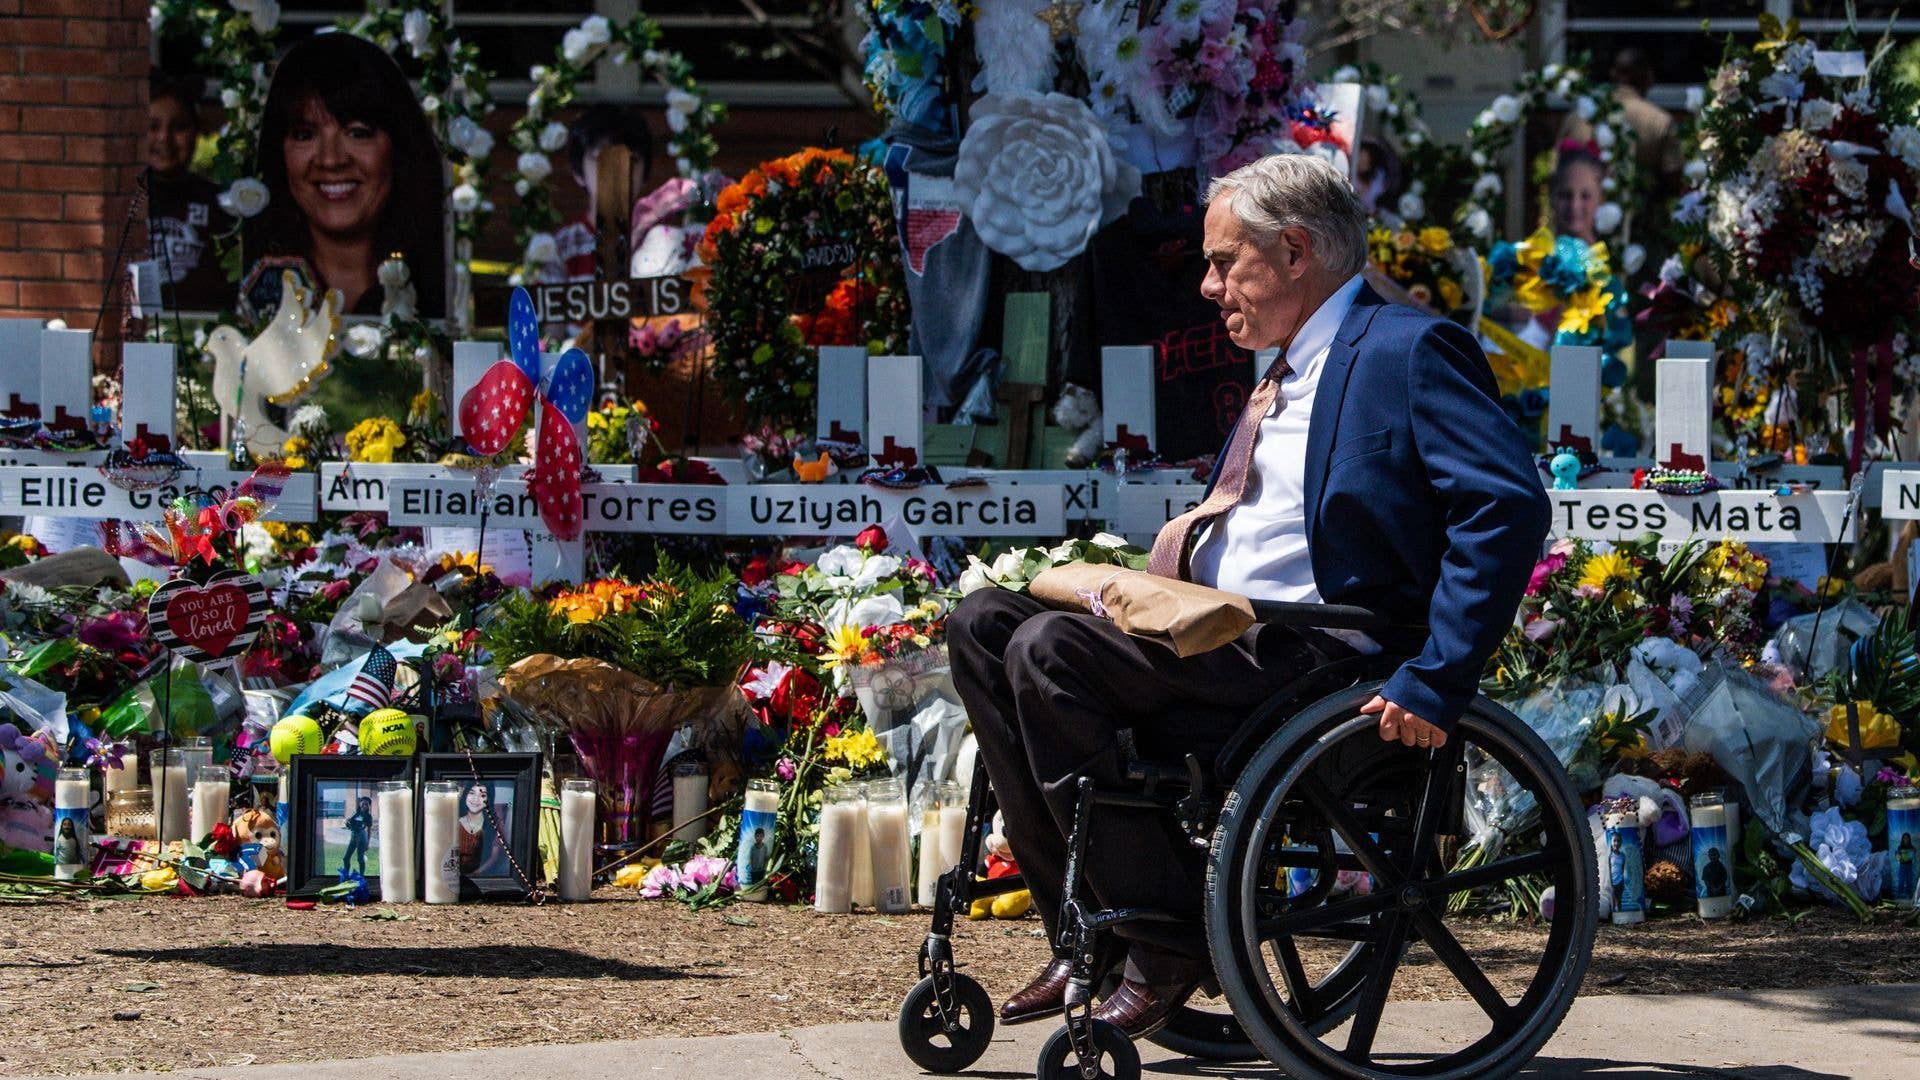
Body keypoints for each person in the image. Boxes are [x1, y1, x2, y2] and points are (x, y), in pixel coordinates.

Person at [950, 153, 1548, 1040]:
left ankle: (1164, 939)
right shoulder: (1286, 369)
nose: (1206, 284)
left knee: (1050, 650)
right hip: (1226, 638)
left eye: (1225, 261)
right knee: (984, 623)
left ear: (1296, 251)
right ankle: (1086, 933)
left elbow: (1505, 504)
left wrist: (1439, 675)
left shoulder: (1406, 350)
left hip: (1320, 658)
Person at [247, 33, 444, 318]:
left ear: (398, 146)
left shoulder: (448, 291)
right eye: (305, 135)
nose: (331, 159)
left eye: (357, 133)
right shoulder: (248, 286)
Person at [145, 75, 233, 311]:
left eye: (179, 127)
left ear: (197, 131)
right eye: (152, 127)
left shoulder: (222, 206)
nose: (164, 138)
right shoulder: (121, 204)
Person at [1560, 48, 1684, 201]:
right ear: (1648, 77)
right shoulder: (1660, 121)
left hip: (1582, 214)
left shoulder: (1579, 116)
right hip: (1640, 216)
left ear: (1613, 74)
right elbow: (1674, 177)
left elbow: (1556, 168)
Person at [1548, 147, 1607, 245]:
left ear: (1601, 200)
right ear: (1553, 197)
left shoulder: (1613, 258)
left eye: (1585, 196)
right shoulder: (1535, 257)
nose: (1574, 205)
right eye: (1566, 195)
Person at [457, 782, 510, 877]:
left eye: (482, 795)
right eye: (472, 793)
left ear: (489, 798)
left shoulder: (495, 824)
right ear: (466, 794)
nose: (475, 799)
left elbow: (494, 858)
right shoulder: (455, 820)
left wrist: (476, 874)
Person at [341, 795, 372, 877]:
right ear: (360, 803)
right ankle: (346, 876)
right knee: (346, 858)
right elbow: (350, 825)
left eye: (367, 804)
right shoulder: (355, 814)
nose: (365, 806)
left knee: (360, 859)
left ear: (369, 806)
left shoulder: (368, 816)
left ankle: (362, 877)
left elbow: (369, 830)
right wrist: (347, 823)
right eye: (363, 803)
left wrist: (368, 843)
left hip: (362, 837)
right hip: (353, 837)